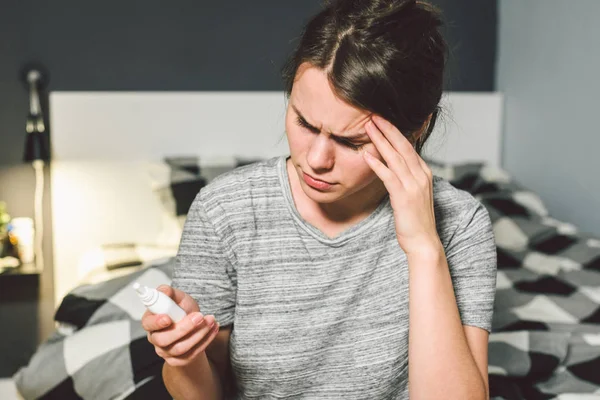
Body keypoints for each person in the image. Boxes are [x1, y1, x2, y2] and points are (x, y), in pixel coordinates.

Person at [141, 0, 497, 398]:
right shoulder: (223, 211)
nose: (316, 160)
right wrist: (185, 357)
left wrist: (423, 247)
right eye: (304, 123)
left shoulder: (462, 224)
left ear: (417, 128)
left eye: (350, 141)